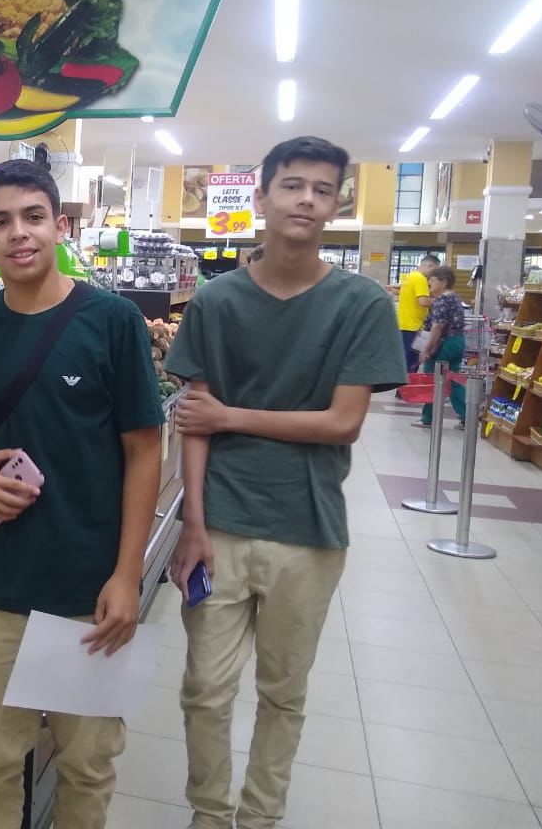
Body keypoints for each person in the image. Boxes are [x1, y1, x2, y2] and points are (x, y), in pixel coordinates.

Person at [165, 136, 406, 829]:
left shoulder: (362, 304)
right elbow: (195, 424)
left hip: (309, 527)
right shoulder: (215, 302)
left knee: (283, 692)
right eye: (293, 185)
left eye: (322, 189)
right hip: (221, 523)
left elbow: (343, 423)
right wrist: (192, 525)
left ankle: (259, 817)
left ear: (336, 205)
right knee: (204, 689)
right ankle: (210, 815)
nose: (306, 200)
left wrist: (232, 415)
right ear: (262, 196)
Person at [0, 158, 165, 829]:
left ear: (60, 226)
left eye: (33, 217)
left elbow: (144, 450)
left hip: (86, 589)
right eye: (1, 222)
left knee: (87, 763)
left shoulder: (113, 321)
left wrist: (127, 575)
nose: (19, 233)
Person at [414, 264, 467, 430]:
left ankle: (427, 418)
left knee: (432, 380)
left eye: (432, 280)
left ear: (443, 282)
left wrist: (426, 349)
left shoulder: (442, 300)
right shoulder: (455, 298)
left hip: (444, 345)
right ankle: (467, 416)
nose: (429, 283)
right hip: (458, 342)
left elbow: (437, 327)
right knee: (454, 380)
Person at [396, 254, 438, 372]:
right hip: (413, 326)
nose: (434, 275)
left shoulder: (410, 276)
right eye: (435, 270)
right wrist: (441, 300)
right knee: (411, 363)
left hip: (404, 324)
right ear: (430, 266)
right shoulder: (420, 279)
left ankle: (402, 384)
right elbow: (423, 301)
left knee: (405, 361)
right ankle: (406, 384)